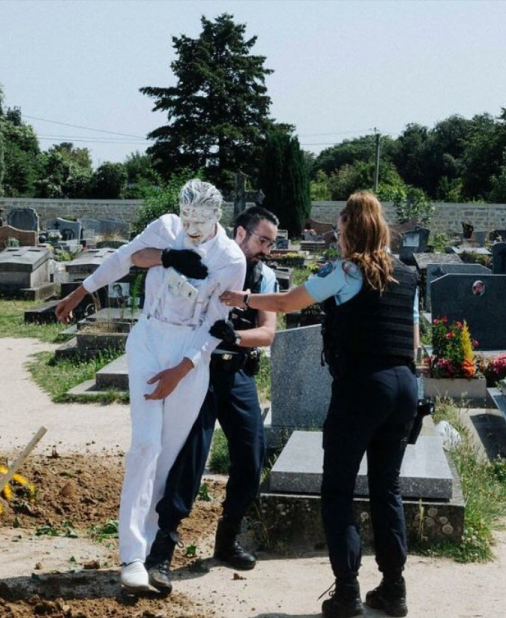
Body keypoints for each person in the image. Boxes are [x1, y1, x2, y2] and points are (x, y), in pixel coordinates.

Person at [221, 192, 419, 618]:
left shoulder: (345, 272)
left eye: (341, 230)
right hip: (405, 387)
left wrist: (243, 299)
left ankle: (346, 592)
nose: (338, 237)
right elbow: (414, 342)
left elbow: (290, 302)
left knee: (338, 490)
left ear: (353, 230)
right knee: (387, 489)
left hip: (363, 387)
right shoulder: (408, 274)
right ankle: (394, 589)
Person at [55, 180, 246, 595]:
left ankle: (147, 548)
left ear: (217, 217)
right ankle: (131, 556)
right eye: (187, 219)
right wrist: (81, 292)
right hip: (149, 339)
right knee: (145, 444)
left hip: (189, 355)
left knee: (168, 454)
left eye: (200, 223)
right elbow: (126, 258)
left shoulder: (231, 258)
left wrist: (184, 367)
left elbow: (217, 324)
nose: (191, 229)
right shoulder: (167, 227)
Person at [126, 206, 280, 589]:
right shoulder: (208, 261)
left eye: (272, 243)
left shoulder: (266, 277)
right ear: (240, 234)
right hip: (199, 372)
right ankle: (160, 554)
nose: (267, 250)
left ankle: (227, 540)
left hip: (237, 372)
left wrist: (235, 337)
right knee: (190, 460)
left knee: (251, 453)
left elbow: (267, 333)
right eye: (263, 241)